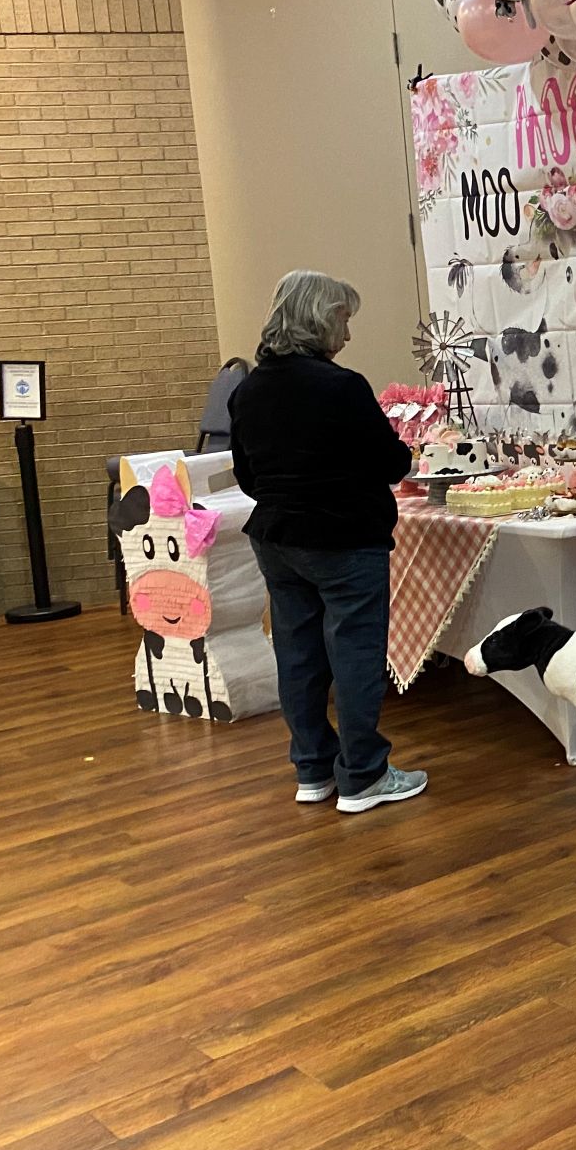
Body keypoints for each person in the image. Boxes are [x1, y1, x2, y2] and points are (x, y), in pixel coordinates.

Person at [231, 271, 427, 814]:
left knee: (298, 655)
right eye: (345, 318)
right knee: (355, 656)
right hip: (343, 539)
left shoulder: (250, 389)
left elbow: (249, 477)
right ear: (320, 317)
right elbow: (394, 461)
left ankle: (313, 770)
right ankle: (364, 774)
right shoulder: (341, 386)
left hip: (277, 539)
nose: (349, 332)